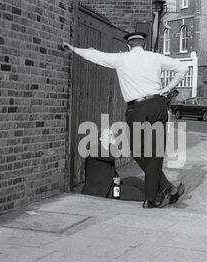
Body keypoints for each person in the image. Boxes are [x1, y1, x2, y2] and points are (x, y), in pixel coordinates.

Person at [64, 32, 186, 209]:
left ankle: (156, 196)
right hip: (158, 105)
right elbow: (182, 68)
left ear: (128, 46)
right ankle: (160, 194)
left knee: (138, 151)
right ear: (143, 44)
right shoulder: (155, 58)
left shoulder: (121, 59)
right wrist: (167, 89)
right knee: (155, 152)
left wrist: (74, 49)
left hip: (138, 109)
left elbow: (95, 55)